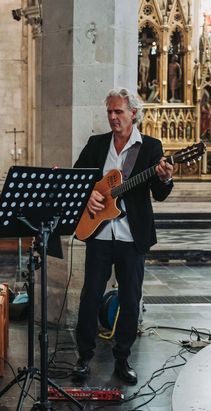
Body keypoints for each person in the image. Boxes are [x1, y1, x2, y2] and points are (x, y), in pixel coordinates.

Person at [72, 88, 174, 384]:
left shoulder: (152, 148)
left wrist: (165, 177)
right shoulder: (96, 144)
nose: (113, 117)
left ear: (133, 113)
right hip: (100, 233)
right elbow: (78, 180)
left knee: (130, 300)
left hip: (132, 237)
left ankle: (123, 358)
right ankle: (83, 357)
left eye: (119, 112)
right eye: (110, 112)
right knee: (90, 296)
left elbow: (160, 193)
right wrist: (89, 195)